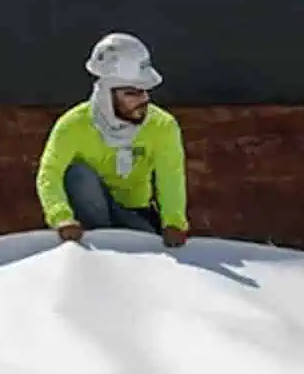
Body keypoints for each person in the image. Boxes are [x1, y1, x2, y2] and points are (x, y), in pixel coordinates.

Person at [34, 32, 189, 248]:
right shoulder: (73, 125)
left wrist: (174, 221)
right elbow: (49, 173)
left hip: (135, 213)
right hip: (89, 219)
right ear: (108, 94)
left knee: (146, 248)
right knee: (78, 174)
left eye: (144, 92)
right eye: (131, 93)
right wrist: (61, 217)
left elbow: (171, 176)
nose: (143, 100)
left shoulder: (163, 126)